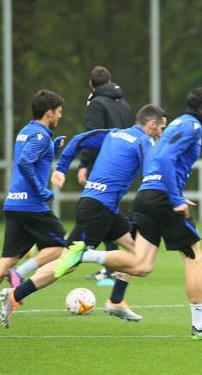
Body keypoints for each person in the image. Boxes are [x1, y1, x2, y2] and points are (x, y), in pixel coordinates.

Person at [48, 88, 202, 340]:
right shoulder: (193, 126)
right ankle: (200, 327)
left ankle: (86, 254)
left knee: (142, 264)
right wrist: (175, 196)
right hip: (163, 199)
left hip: (147, 196)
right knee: (194, 256)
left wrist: (169, 188)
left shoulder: (178, 123)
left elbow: (158, 158)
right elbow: (165, 159)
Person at [0, 105, 166, 328]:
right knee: (68, 263)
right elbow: (152, 176)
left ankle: (116, 300)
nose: (161, 133)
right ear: (152, 124)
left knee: (137, 251)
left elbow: (78, 140)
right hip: (98, 210)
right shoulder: (145, 142)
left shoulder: (112, 133)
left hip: (103, 208)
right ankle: (16, 294)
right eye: (161, 128)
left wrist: (62, 168)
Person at [0, 91, 67, 319]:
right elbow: (26, 162)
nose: (60, 117)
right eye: (59, 112)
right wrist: (40, 190)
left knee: (9, 256)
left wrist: (52, 146)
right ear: (49, 112)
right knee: (62, 246)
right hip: (31, 205)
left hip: (13, 203)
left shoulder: (26, 131)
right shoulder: (41, 136)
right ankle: (19, 273)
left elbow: (31, 156)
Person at [79, 66, 133, 286]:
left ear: (92, 84)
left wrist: (84, 164)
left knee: (99, 212)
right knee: (108, 211)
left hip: (103, 167)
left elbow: (93, 135)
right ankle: (109, 267)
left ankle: (97, 260)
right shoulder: (125, 105)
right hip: (122, 167)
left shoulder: (97, 104)